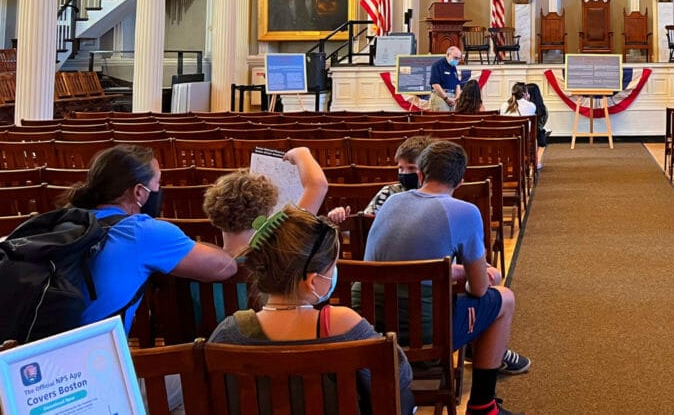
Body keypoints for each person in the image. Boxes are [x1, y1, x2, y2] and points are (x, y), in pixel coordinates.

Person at [365, 142, 529, 415]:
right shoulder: (464, 211)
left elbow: (401, 267)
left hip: (372, 325)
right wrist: (474, 274)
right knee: (504, 299)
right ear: (460, 181)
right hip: (425, 334)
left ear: (420, 175)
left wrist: (455, 272)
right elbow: (478, 289)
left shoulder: (392, 202)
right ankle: (483, 405)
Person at [208, 207, 415, 415]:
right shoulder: (341, 323)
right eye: (332, 267)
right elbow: (397, 376)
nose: (334, 273)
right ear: (312, 282)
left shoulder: (229, 332)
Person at [65, 145, 237, 333]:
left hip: (36, 348)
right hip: (88, 353)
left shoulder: (64, 219)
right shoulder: (142, 232)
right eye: (158, 183)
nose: (159, 190)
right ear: (139, 191)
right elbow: (225, 267)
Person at [203, 147, 330, 255]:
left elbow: (317, 186)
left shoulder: (199, 265)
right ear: (265, 215)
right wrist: (301, 152)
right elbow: (317, 185)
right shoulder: (281, 253)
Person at [328, 136, 434, 225]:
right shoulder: (388, 192)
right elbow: (367, 223)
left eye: (411, 168)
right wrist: (342, 218)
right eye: (400, 168)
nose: (404, 173)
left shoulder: (437, 198)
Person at [429, 45, 466, 111]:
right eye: (455, 58)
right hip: (441, 98)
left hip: (453, 98)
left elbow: (457, 84)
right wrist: (446, 98)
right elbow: (435, 85)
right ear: (448, 54)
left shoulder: (453, 67)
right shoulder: (437, 65)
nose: (457, 60)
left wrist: (457, 97)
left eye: (458, 58)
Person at [524, 82, 550, 170]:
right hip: (537, 134)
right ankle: (536, 160)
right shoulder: (542, 108)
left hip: (525, 134)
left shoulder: (526, 106)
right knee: (540, 133)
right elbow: (543, 122)